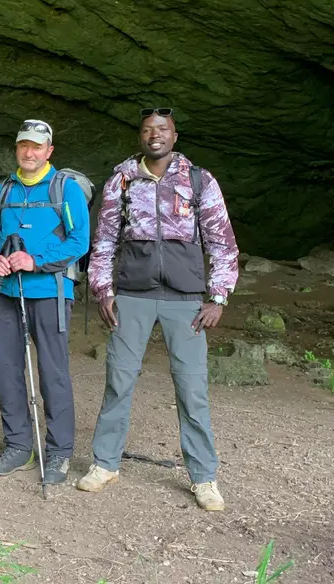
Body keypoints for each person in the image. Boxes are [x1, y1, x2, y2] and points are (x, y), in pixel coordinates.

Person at [78, 108, 238, 511]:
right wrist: (103, 290)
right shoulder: (122, 180)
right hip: (132, 295)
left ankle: (203, 477)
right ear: (140, 136)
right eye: (148, 130)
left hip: (185, 300)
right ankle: (105, 464)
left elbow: (222, 242)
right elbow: (105, 239)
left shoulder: (199, 180)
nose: (155, 136)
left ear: (174, 135)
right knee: (119, 380)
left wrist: (217, 297)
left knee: (192, 388)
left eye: (162, 129)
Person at [0, 119, 90, 485]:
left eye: (37, 146)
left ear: (49, 151)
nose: (30, 152)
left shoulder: (65, 189)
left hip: (50, 292)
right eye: (24, 145)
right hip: (7, 293)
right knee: (4, 368)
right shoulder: (3, 191)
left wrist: (36, 260)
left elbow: (79, 241)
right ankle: (18, 446)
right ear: (17, 148)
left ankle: (58, 453)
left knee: (53, 372)